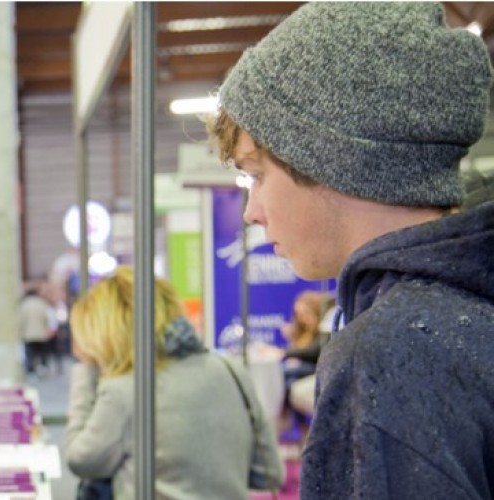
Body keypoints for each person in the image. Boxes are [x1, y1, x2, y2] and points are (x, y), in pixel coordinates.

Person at [208, 3, 494, 496]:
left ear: (331, 159)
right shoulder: (466, 307)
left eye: (257, 175)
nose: (252, 211)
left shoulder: (386, 354)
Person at [64, 266, 283, 499]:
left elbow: (80, 460)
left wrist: (85, 370)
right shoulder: (231, 371)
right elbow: (268, 473)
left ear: (104, 336)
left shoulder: (126, 390)